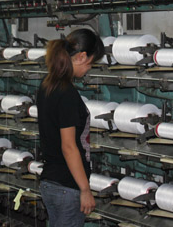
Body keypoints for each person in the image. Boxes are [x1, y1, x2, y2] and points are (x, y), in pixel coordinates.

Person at [37, 28, 105, 226]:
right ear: (81, 57)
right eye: (91, 63)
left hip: (50, 182)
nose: (89, 69)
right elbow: (68, 147)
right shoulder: (66, 93)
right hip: (67, 186)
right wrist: (85, 189)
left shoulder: (47, 85)